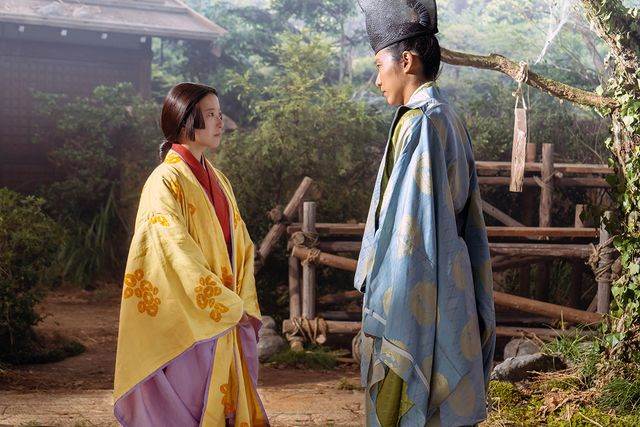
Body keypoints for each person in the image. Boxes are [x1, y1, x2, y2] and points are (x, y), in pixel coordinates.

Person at [353, 1, 496, 425]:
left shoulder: (419, 122)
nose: (377, 79)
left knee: (407, 400)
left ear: (406, 61)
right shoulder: (447, 116)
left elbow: (407, 232)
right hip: (451, 280)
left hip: (419, 285)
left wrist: (386, 297)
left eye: (380, 65)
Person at [113, 82, 269, 426]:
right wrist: (220, 301)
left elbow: (242, 245)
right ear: (185, 121)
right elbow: (170, 249)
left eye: (219, 113)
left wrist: (239, 299)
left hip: (225, 308)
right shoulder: (164, 181)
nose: (220, 122)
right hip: (190, 315)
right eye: (210, 114)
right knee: (190, 403)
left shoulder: (219, 179)